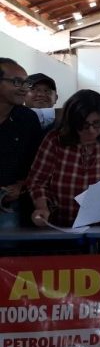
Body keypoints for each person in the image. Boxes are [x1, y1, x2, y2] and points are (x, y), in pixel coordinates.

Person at [28, 90, 100, 227]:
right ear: (71, 123)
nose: (91, 130)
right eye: (84, 125)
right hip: (61, 226)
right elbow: (37, 182)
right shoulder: (55, 141)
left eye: (97, 124)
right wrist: (42, 208)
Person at [0, 58, 43, 229]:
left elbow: (36, 165)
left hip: (10, 205)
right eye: (17, 82)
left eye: (26, 83)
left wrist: (21, 186)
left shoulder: (27, 119)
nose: (24, 89)